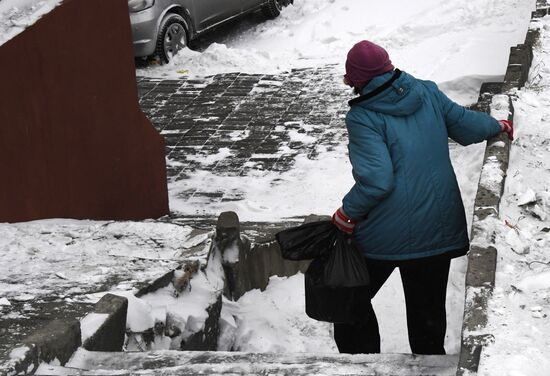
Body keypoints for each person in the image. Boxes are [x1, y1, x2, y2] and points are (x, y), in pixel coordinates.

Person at [330, 40, 513, 355]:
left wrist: (347, 214)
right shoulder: (426, 92)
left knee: (348, 302)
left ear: (356, 79)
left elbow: (376, 180)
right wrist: (496, 125)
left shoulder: (363, 117)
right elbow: (466, 125)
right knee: (427, 322)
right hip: (436, 230)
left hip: (385, 234)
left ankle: (362, 365)